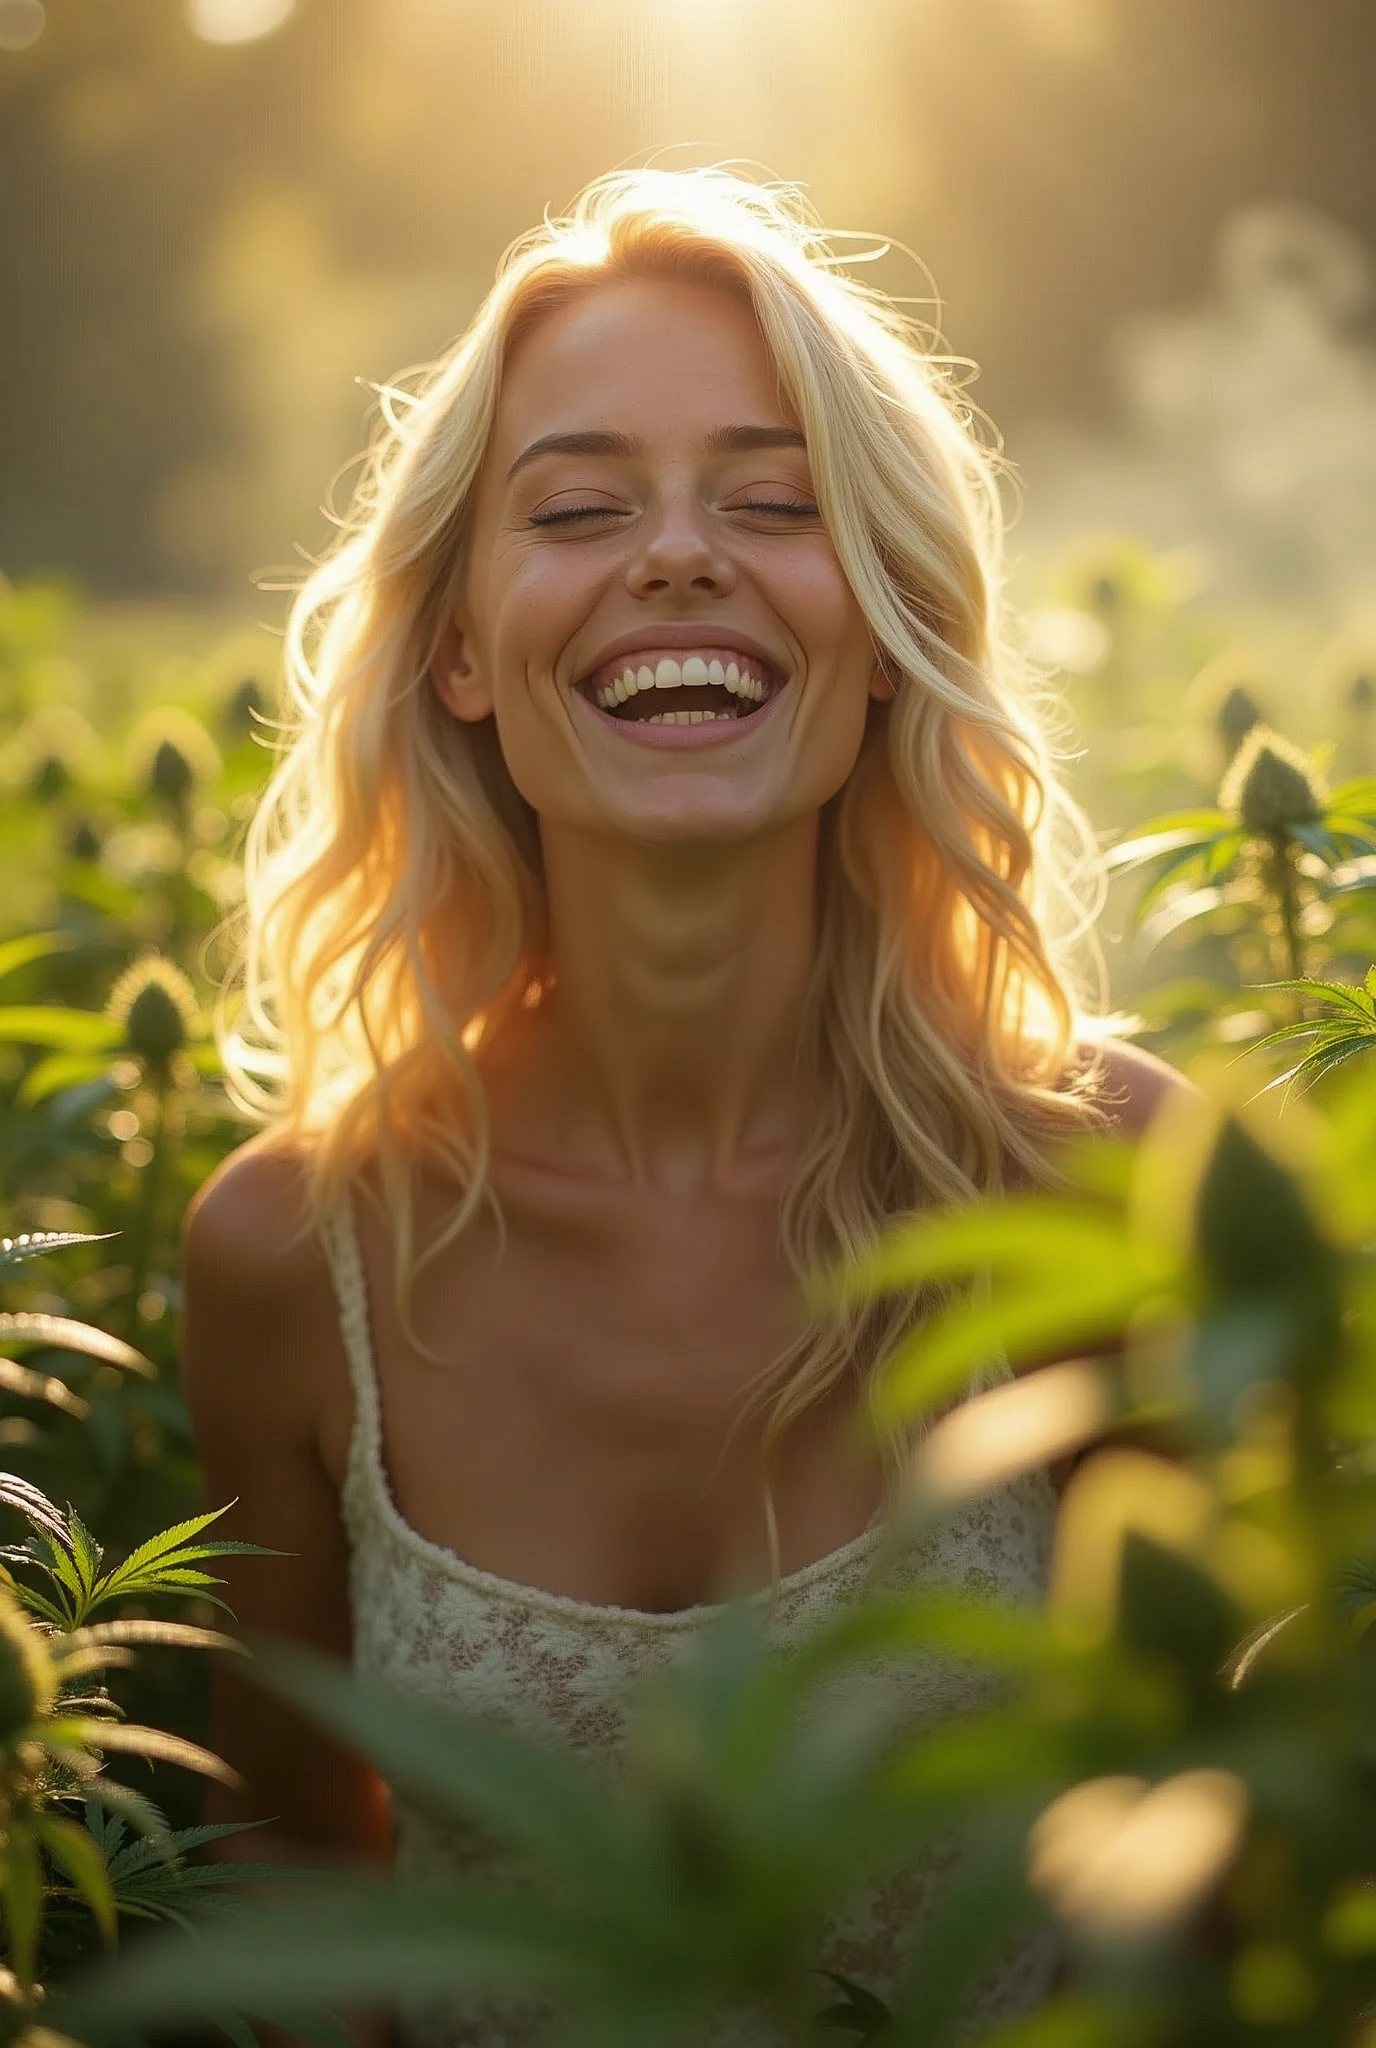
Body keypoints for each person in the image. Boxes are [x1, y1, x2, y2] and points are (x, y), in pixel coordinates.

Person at [180, 166, 1181, 2046]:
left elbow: (1224, 1860)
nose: (678, 557)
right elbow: (297, 1857)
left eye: (778, 502)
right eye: (575, 508)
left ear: (883, 623)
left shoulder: (1106, 1176)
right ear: (463, 649)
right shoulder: (289, 1250)